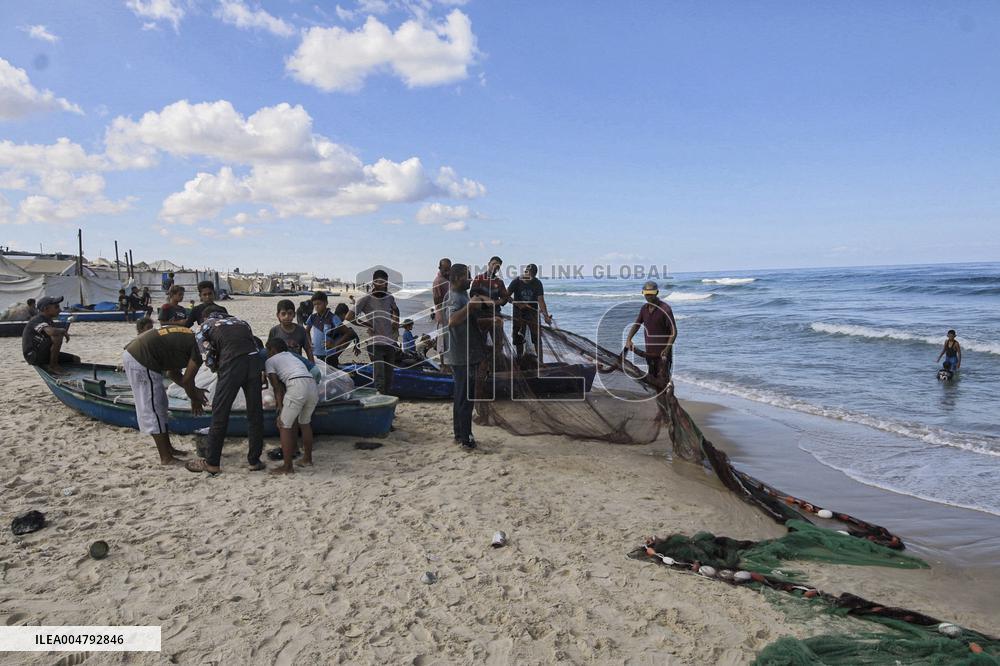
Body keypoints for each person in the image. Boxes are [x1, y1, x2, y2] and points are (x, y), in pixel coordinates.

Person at [186, 306, 265, 475]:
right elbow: (254, 345)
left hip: (232, 363)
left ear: (205, 317)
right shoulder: (242, 322)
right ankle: (254, 461)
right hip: (254, 363)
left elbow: (207, 355)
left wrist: (218, 370)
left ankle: (212, 463)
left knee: (220, 413)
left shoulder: (205, 326)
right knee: (255, 413)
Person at [122, 323, 207, 465]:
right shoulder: (199, 346)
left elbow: (173, 373)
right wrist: (195, 398)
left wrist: (194, 390)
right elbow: (187, 380)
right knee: (153, 409)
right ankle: (166, 458)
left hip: (141, 355)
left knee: (161, 404)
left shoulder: (188, 339)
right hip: (142, 359)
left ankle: (168, 449)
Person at [444, 264, 494, 450]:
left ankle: (460, 434)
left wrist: (490, 320)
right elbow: (452, 321)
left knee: (461, 396)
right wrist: (470, 306)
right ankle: (466, 438)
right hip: (461, 356)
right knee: (466, 398)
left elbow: (468, 320)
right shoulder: (454, 297)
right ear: (457, 277)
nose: (471, 279)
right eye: (467, 276)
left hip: (468, 354)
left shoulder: (463, 295)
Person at [265, 338, 319, 474]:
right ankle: (307, 459)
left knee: (284, 425)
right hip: (311, 384)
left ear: (272, 350)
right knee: (305, 423)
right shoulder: (292, 356)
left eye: (268, 351)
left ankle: (287, 467)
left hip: (296, 385)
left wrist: (280, 408)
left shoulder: (270, 361)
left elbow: (277, 388)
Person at [347, 270, 399, 394]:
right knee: (379, 377)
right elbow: (349, 317)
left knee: (389, 378)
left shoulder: (390, 297)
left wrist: (395, 321)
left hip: (390, 343)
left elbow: (396, 310)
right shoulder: (365, 299)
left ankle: (386, 400)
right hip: (374, 344)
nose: (383, 285)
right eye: (380, 282)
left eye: (385, 282)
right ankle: (380, 399)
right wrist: (367, 324)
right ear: (373, 283)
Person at [625, 281, 678, 386]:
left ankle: (666, 396)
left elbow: (674, 331)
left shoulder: (665, 309)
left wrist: (667, 349)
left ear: (657, 293)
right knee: (652, 380)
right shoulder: (644, 309)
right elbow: (636, 325)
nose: (649, 296)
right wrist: (628, 339)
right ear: (643, 293)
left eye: (651, 294)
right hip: (649, 352)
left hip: (663, 354)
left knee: (664, 381)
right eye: (647, 294)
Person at [22, 296, 78, 374]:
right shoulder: (37, 319)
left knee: (75, 359)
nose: (60, 310)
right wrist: (63, 330)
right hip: (33, 355)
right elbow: (51, 332)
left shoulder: (49, 320)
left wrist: (61, 331)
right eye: (56, 307)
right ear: (46, 309)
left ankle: (54, 365)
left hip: (43, 353)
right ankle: (53, 366)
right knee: (57, 335)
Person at [507, 263, 553, 361]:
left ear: (535, 275)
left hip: (533, 314)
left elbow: (541, 300)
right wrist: (517, 304)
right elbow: (506, 296)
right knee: (518, 337)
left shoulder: (537, 283)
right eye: (528, 273)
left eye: (532, 276)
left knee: (537, 338)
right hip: (518, 314)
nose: (529, 277)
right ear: (525, 272)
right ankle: (519, 360)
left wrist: (546, 316)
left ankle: (540, 362)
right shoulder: (516, 281)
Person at [305, 291, 337, 364]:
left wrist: (334, 343)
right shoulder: (312, 317)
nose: (316, 306)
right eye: (314, 304)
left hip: (330, 354)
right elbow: (306, 331)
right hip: (315, 354)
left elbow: (346, 333)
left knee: (331, 370)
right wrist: (310, 343)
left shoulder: (333, 317)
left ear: (326, 303)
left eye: (319, 304)